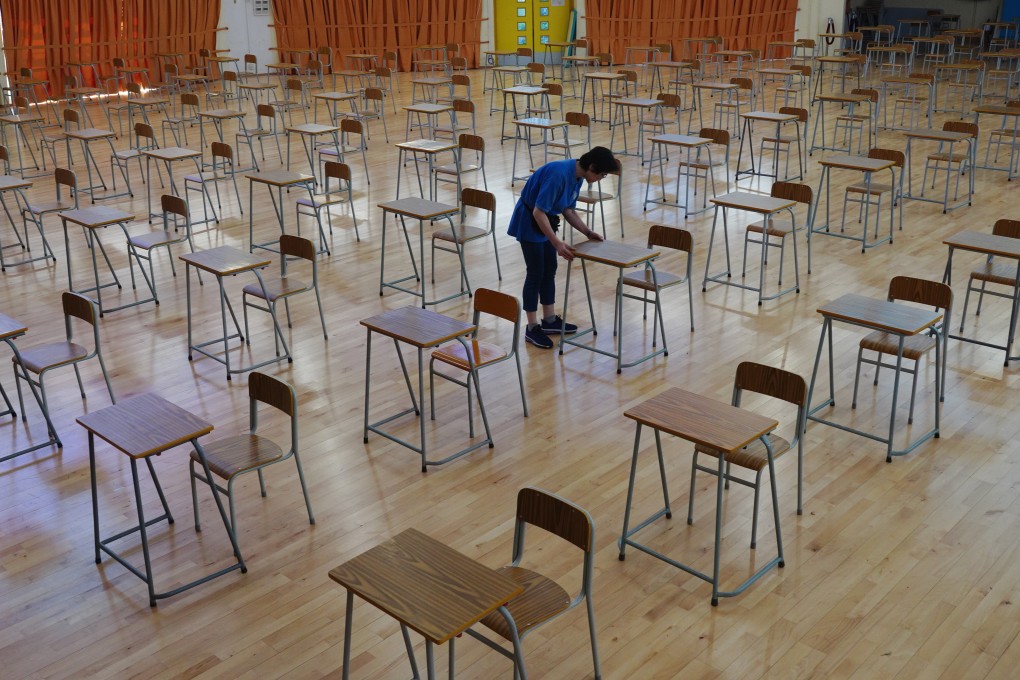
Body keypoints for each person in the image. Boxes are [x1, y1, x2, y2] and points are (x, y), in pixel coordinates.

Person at [507, 146, 618, 349]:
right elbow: (538, 212)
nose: (601, 179)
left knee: (549, 269)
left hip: (545, 220)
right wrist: (557, 243)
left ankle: (549, 321)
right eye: (602, 175)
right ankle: (531, 328)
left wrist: (588, 232)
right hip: (530, 220)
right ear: (592, 167)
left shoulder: (578, 176)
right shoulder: (559, 175)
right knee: (535, 272)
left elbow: (568, 210)